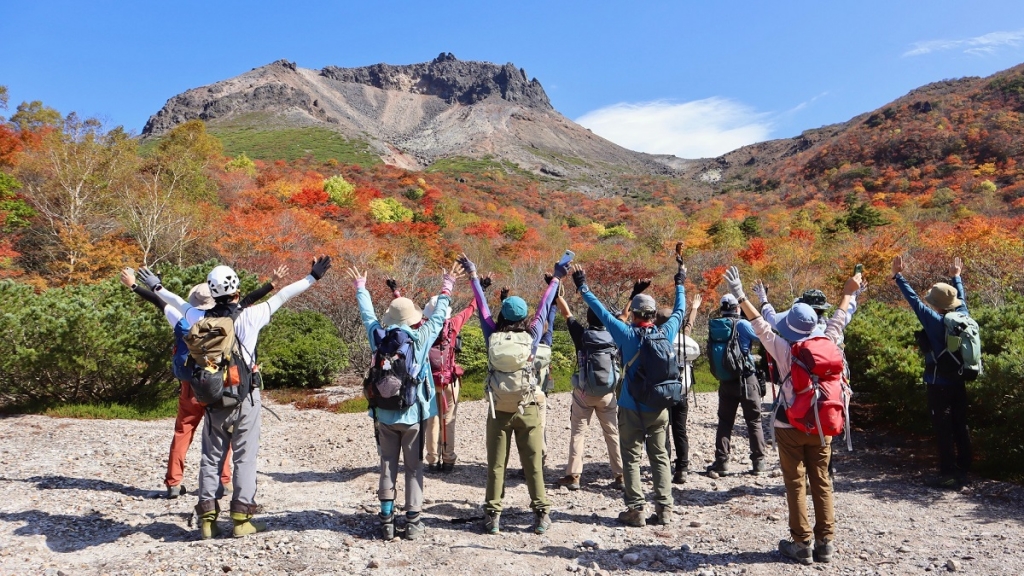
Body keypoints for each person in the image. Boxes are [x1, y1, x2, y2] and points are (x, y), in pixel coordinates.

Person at [141, 256, 332, 539]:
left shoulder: (197, 317)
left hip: (213, 395)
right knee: (245, 457)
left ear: (211, 291)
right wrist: (312, 277)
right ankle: (242, 520)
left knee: (210, 457)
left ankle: (207, 520)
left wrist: (155, 286)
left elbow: (176, 302)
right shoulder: (252, 316)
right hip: (245, 397)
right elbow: (284, 295)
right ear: (237, 292)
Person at [722, 265, 860, 565]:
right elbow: (839, 317)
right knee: (821, 481)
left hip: (789, 424)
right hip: (823, 424)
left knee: (796, 483)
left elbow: (760, 324)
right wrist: (850, 292)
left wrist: (741, 295)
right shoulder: (829, 340)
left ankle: (801, 544)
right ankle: (826, 543)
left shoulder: (783, 348)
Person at [120, 266, 284, 499]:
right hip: (218, 384)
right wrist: (271, 284)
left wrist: (136, 286)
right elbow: (245, 302)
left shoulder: (185, 318)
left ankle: (174, 482)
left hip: (190, 386)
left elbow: (161, 302)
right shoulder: (225, 319)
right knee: (221, 431)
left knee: (182, 431)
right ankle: (224, 481)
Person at [572, 253, 686, 528]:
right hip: (659, 406)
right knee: (660, 457)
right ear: (654, 315)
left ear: (633, 314)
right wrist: (680, 282)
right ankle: (665, 508)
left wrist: (582, 285)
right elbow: (680, 311)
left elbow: (600, 311)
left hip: (630, 405)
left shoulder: (625, 333)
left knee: (631, 458)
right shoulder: (666, 332)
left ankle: (636, 510)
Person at [347, 264, 461, 540]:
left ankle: (386, 520)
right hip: (413, 416)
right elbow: (439, 317)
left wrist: (361, 288)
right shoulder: (420, 339)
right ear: (413, 318)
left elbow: (367, 315)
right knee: (414, 468)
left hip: (384, 416)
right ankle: (412, 522)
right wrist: (447, 285)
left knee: (387, 464)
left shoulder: (378, 337)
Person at [458, 253, 563, 535]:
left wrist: (473, 274)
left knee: (496, 465)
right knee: (533, 464)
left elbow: (482, 306)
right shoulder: (532, 335)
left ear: (502, 314)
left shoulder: (492, 334)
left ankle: (493, 516)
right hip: (528, 407)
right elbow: (544, 306)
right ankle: (541, 514)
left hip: (498, 409)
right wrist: (556, 277)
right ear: (524, 316)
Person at [753, 281, 865, 480]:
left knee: (798, 429)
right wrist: (852, 295)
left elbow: (769, 319)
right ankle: (825, 475)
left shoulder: (792, 327)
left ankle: (802, 477)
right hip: (827, 395)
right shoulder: (829, 331)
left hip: (796, 394)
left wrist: (763, 298)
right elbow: (843, 315)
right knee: (823, 434)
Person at [892, 255, 973, 489]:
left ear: (936, 304)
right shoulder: (963, 315)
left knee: (943, 428)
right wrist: (956, 277)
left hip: (938, 385)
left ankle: (948, 474)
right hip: (959, 380)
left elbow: (914, 301)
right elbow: (961, 297)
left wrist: (898, 276)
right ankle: (964, 469)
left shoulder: (935, 321)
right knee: (960, 424)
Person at [552, 286, 624, 491]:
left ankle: (574, 475)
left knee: (578, 433)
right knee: (612, 433)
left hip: (584, 393)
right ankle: (620, 475)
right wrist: (634, 295)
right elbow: (624, 317)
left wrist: (556, 295)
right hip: (608, 393)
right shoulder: (614, 335)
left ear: (588, 318)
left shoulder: (582, 335)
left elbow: (567, 313)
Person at [420, 274, 490, 473]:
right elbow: (471, 309)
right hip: (449, 380)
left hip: (428, 381)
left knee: (432, 420)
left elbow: (404, 315)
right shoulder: (452, 325)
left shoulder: (422, 328)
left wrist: (396, 293)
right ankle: (449, 459)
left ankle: (432, 460)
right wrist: (481, 289)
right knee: (449, 419)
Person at [706, 293, 768, 478]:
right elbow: (763, 336)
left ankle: (722, 462)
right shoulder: (742, 324)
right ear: (737, 308)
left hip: (726, 381)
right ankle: (758, 462)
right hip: (746, 379)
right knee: (754, 421)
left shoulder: (716, 326)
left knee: (725, 422)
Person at [661, 292, 702, 484]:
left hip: (662, 393)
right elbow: (689, 327)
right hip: (682, 392)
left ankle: (664, 466)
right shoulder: (685, 341)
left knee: (662, 429)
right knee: (680, 430)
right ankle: (682, 468)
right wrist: (693, 309)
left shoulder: (658, 339)